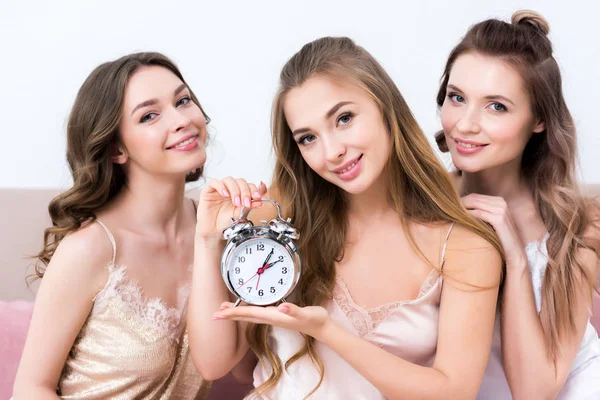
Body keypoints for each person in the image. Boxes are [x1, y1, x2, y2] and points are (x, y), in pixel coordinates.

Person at [189, 36, 504, 399]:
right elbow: (213, 364)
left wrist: (327, 331)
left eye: (344, 118)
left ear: (385, 107)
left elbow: (454, 391)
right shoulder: (276, 217)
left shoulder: (466, 247)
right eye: (308, 138)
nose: (333, 152)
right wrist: (208, 241)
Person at [13, 52, 217, 399]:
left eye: (183, 100)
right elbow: (30, 389)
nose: (181, 119)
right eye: (149, 115)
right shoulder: (90, 249)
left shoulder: (214, 230)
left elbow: (243, 369)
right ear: (115, 148)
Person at [434, 10, 600, 399]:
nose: (465, 124)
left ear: (539, 119)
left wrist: (515, 256)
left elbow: (534, 391)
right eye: (457, 98)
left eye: (497, 106)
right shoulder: (421, 203)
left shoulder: (576, 225)